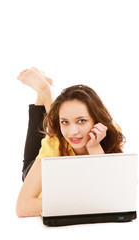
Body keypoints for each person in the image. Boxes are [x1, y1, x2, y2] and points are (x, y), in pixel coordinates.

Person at [16, 67, 125, 217]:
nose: (73, 131)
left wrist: (94, 148)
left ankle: (45, 94)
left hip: (63, 146)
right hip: (42, 173)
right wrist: (85, 204)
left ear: (96, 120)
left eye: (82, 121)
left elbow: (111, 194)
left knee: (58, 131)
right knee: (54, 135)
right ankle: (45, 95)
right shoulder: (53, 144)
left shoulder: (110, 134)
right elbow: (23, 207)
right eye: (65, 122)